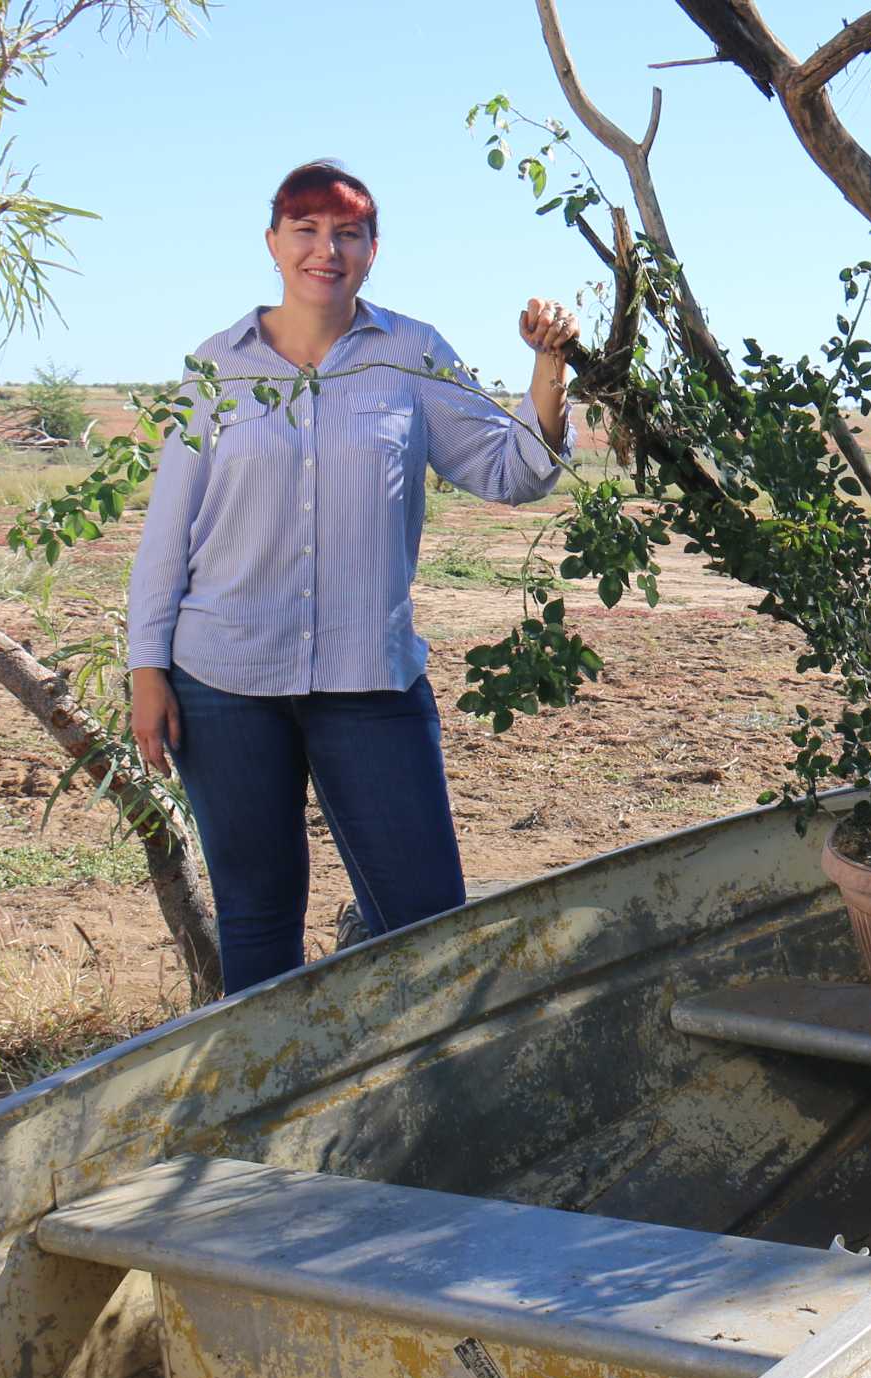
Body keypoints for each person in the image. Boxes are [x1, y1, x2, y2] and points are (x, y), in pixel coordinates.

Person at [124, 159, 579, 993]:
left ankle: (415, 1070)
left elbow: (511, 471)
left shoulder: (412, 353)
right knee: (258, 917)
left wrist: (550, 366)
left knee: (425, 919)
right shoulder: (217, 365)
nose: (325, 250)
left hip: (369, 676)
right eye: (305, 230)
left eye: (348, 234)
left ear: (374, 250)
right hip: (223, 678)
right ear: (272, 243)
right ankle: (276, 1076)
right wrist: (146, 668)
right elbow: (168, 530)